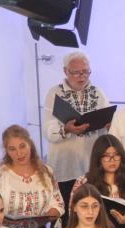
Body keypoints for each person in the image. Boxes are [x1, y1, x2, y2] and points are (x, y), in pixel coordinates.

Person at [42, 51, 110, 219]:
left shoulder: (98, 93)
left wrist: (109, 124)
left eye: (86, 71)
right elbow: (48, 130)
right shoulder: (54, 93)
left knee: (92, 214)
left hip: (91, 167)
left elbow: (107, 124)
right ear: (66, 71)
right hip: (64, 166)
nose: (82, 76)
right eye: (76, 72)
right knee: (65, 217)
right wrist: (66, 129)